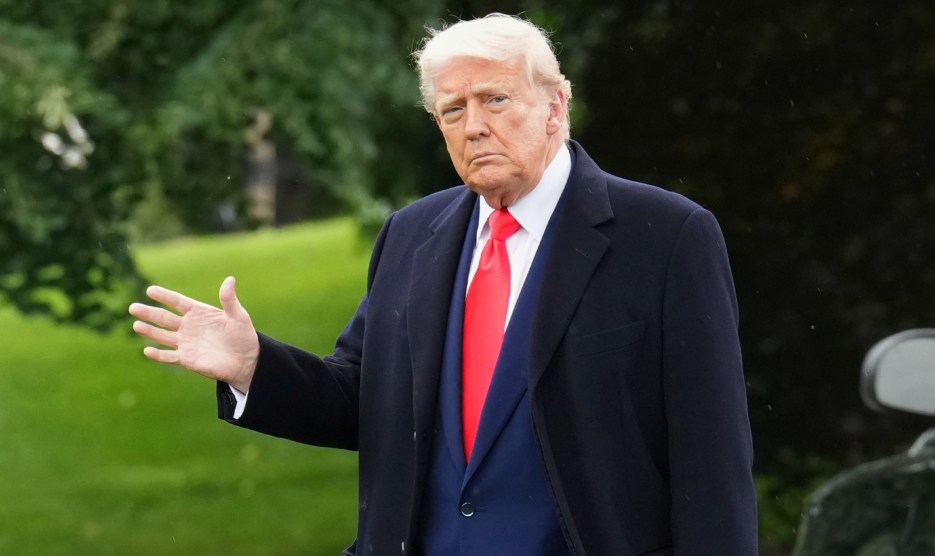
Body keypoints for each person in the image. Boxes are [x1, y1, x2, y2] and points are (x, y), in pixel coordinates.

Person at [129, 13, 758, 555]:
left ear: (555, 106)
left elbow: (711, 459)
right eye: (453, 110)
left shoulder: (665, 236)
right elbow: (365, 402)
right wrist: (254, 367)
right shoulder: (411, 235)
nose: (473, 125)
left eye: (495, 100)